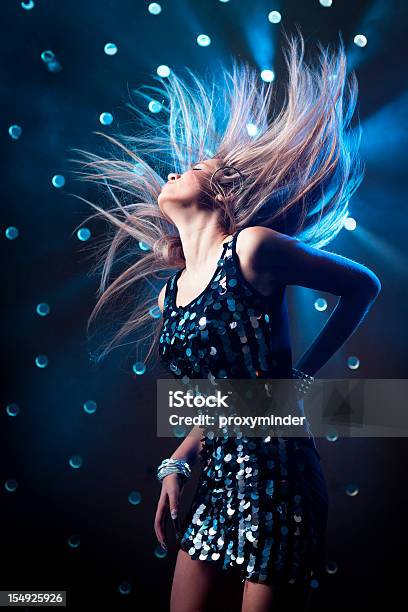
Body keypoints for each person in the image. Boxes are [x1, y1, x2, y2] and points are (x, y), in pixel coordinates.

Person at [72, 29, 381, 612]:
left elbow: (364, 285)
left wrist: (305, 378)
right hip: (217, 480)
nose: (176, 171)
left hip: (279, 475)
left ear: (217, 192)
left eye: (193, 167)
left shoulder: (254, 248)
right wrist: (174, 464)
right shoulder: (172, 295)